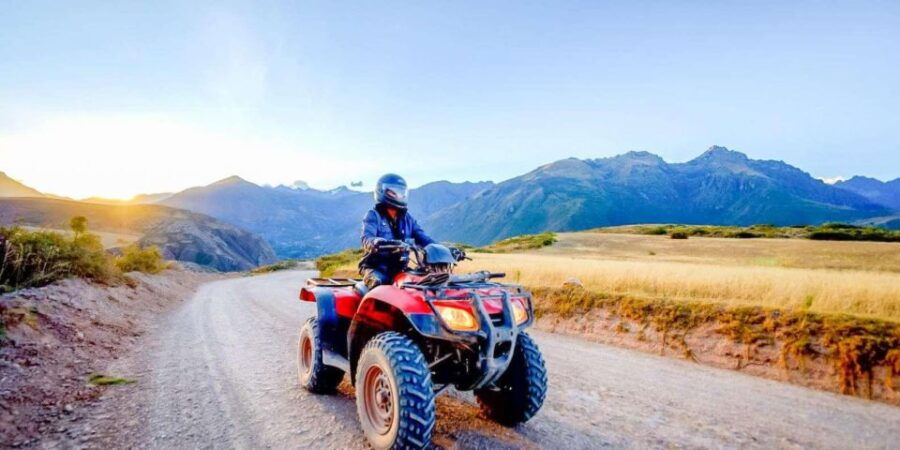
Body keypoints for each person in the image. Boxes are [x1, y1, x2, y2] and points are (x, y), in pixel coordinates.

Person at [359, 174, 435, 289]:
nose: (399, 195)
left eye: (401, 192)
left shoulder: (407, 218)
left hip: (399, 269)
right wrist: (377, 242)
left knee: (421, 284)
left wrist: (442, 248)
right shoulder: (373, 216)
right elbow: (367, 238)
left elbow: (424, 238)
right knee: (378, 285)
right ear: (382, 191)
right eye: (393, 192)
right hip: (377, 268)